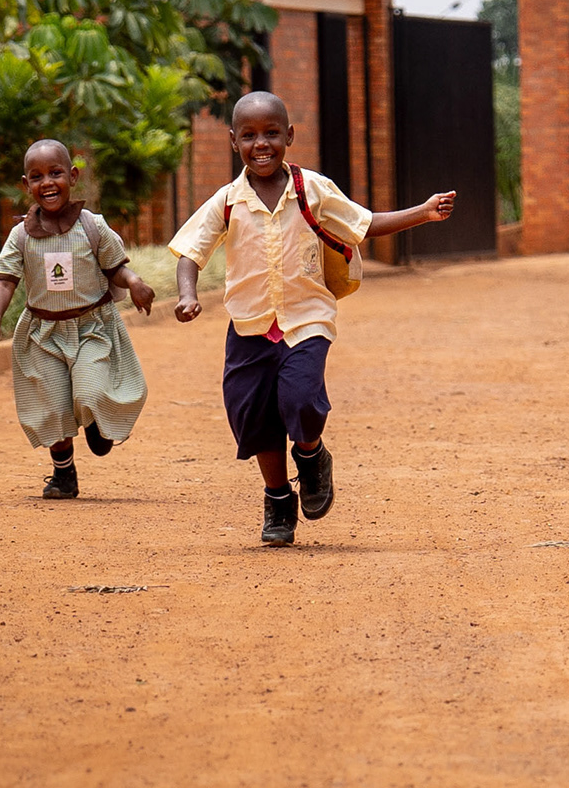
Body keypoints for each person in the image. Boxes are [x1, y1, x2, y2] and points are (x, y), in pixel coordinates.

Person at [168, 91, 457, 546]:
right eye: (249, 136)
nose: (261, 144)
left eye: (271, 134)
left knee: (301, 399)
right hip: (249, 325)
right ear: (232, 141)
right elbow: (190, 252)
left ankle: (311, 454)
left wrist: (421, 213)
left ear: (290, 136)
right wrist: (186, 295)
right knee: (253, 415)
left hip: (306, 320)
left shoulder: (313, 189)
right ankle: (278, 498)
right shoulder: (227, 201)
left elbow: (362, 223)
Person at [0, 139, 155, 500]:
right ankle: (63, 475)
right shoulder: (21, 235)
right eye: (37, 176)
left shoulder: (92, 226)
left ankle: (98, 424)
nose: (47, 183)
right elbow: (6, 280)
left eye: (55, 173)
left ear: (72, 177)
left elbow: (115, 267)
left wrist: (134, 282)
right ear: (26, 185)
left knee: (89, 389)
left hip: (92, 327)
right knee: (53, 405)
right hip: (42, 332)